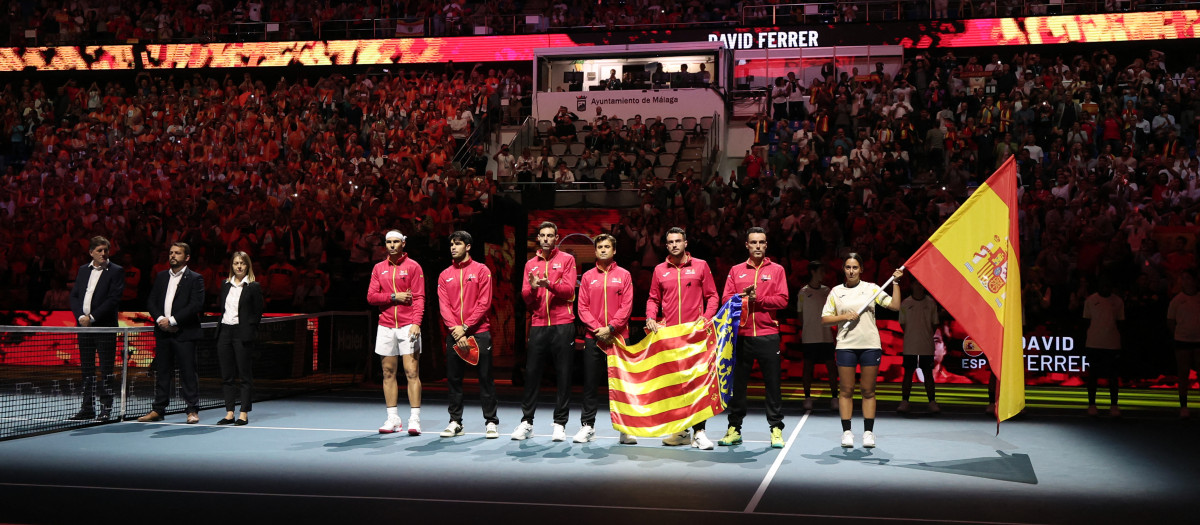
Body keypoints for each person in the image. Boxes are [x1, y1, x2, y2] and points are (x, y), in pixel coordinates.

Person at [646, 227, 719, 449]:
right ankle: (680, 431)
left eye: (678, 241)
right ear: (666, 245)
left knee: (697, 384)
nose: (675, 244)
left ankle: (699, 432)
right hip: (670, 337)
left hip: (694, 336)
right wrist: (650, 317)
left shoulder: (701, 266)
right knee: (674, 385)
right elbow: (653, 299)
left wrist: (705, 319)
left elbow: (713, 296)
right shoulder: (660, 270)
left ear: (686, 243)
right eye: (671, 242)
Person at [717, 228, 789, 449]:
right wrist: (744, 298)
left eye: (761, 242)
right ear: (746, 245)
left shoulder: (777, 270)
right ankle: (734, 429)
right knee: (738, 387)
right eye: (753, 242)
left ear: (766, 245)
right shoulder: (736, 270)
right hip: (741, 336)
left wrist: (760, 299)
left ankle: (776, 429)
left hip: (768, 336)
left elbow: (783, 300)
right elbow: (726, 299)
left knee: (773, 386)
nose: (757, 246)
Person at [822, 253, 903, 448]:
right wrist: (844, 317)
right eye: (848, 267)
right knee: (847, 390)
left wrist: (896, 283)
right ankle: (847, 432)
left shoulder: (872, 289)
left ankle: (868, 433)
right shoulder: (835, 291)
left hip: (870, 345)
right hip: (846, 345)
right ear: (844, 269)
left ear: (861, 270)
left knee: (868, 391)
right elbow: (825, 319)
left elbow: (895, 305)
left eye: (855, 267)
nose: (851, 271)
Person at [511, 221, 578, 441]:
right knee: (531, 375)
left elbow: (569, 291)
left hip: (562, 323)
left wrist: (549, 284)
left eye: (550, 235)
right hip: (539, 323)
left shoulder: (567, 260)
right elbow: (526, 298)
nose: (546, 239)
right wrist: (532, 287)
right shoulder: (530, 264)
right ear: (538, 238)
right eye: (543, 235)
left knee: (564, 374)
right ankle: (526, 422)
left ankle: (560, 423)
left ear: (557, 238)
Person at [437, 231, 499, 438]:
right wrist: (457, 330)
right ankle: (455, 422)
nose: (453, 247)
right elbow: (444, 306)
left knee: (485, 378)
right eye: (451, 244)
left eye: (457, 244)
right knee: (454, 379)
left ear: (468, 246)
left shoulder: (482, 270)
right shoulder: (445, 275)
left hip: (479, 333)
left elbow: (484, 303)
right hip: (454, 334)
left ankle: (491, 421)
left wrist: (465, 327)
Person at [574, 233, 634, 444]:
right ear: (595, 250)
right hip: (593, 337)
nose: (603, 250)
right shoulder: (588, 277)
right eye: (599, 247)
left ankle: (625, 429)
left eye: (607, 246)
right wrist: (598, 329)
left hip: (618, 337)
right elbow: (582, 307)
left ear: (614, 250)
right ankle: (588, 426)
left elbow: (627, 306)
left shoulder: (625, 275)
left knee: (620, 385)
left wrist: (611, 328)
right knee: (590, 383)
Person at [138, 242, 205, 424]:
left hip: (185, 333)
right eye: (171, 252)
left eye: (177, 253)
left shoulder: (195, 278)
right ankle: (158, 409)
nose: (172, 256)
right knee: (162, 372)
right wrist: (161, 319)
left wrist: (173, 320)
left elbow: (196, 305)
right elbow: (151, 301)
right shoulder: (160, 277)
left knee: (188, 372)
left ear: (187, 257)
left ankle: (192, 410)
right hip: (163, 333)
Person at [367, 230, 425, 435]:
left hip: (408, 325)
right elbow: (371, 297)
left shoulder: (413, 267)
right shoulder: (378, 268)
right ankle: (393, 419)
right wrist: (394, 296)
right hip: (385, 325)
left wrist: (416, 323)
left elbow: (418, 297)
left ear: (403, 244)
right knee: (388, 372)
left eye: (395, 242)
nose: (391, 245)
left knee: (411, 372)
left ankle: (415, 419)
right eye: (388, 242)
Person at [67, 236, 125, 420]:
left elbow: (113, 299)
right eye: (99, 250)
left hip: (104, 329)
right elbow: (75, 296)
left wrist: (91, 318)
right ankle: (87, 408)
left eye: (106, 250)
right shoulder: (83, 270)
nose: (103, 253)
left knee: (106, 369)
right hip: (84, 329)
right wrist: (80, 318)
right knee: (87, 369)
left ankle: (105, 409)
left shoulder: (116, 271)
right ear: (91, 252)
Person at [215, 251, 263, 426]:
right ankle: (229, 413)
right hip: (224, 333)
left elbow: (257, 313)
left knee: (244, 376)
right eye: (236, 263)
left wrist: (248, 331)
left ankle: (243, 413)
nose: (239, 266)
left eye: (242, 263)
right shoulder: (225, 285)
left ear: (247, 265)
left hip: (242, 334)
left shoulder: (253, 286)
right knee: (227, 376)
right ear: (232, 266)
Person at [798, 261, 838, 412]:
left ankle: (835, 398)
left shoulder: (827, 291)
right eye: (821, 271)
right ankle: (807, 398)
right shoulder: (803, 292)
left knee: (831, 368)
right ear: (813, 272)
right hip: (809, 337)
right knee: (808, 368)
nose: (823, 274)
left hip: (826, 336)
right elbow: (800, 316)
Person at [898, 279, 940, 414]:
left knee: (928, 374)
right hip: (909, 345)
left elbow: (934, 324)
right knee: (908, 373)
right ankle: (905, 401)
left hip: (926, 345)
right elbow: (903, 324)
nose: (919, 286)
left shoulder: (931, 303)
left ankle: (932, 402)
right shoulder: (905, 303)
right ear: (912, 285)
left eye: (921, 283)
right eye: (916, 283)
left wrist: (925, 335)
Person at [1083, 279, 1124, 417]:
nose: (1105, 287)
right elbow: (1086, 321)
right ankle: (1092, 404)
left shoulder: (1118, 301)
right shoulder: (1090, 300)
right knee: (1093, 375)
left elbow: (1120, 322)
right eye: (1103, 284)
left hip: (1112, 344)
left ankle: (1113, 405)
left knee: (1113, 377)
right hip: (1094, 344)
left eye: (1108, 284)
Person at [1168, 271, 1200, 418]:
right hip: (1182, 340)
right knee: (1183, 373)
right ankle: (1184, 406)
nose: (1186, 281)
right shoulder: (1177, 300)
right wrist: (1179, 334)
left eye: (1188, 278)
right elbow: (1170, 320)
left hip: (1198, 341)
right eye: (1183, 278)